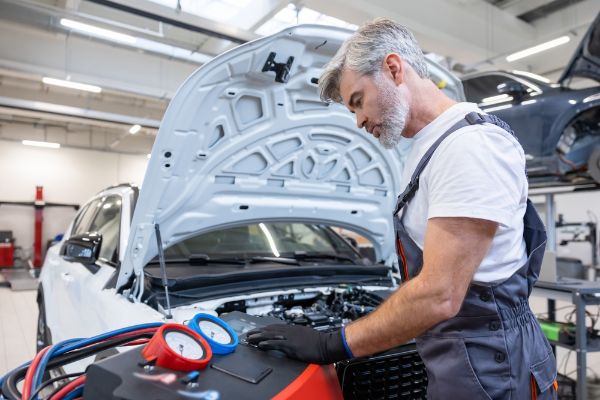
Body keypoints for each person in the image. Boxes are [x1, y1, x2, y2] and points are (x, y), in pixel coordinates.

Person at [247, 18, 558, 399]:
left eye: (358, 101)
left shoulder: (469, 147)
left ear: (394, 69)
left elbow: (439, 294)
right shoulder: (430, 146)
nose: (359, 120)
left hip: (493, 365)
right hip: (463, 355)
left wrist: (332, 343)